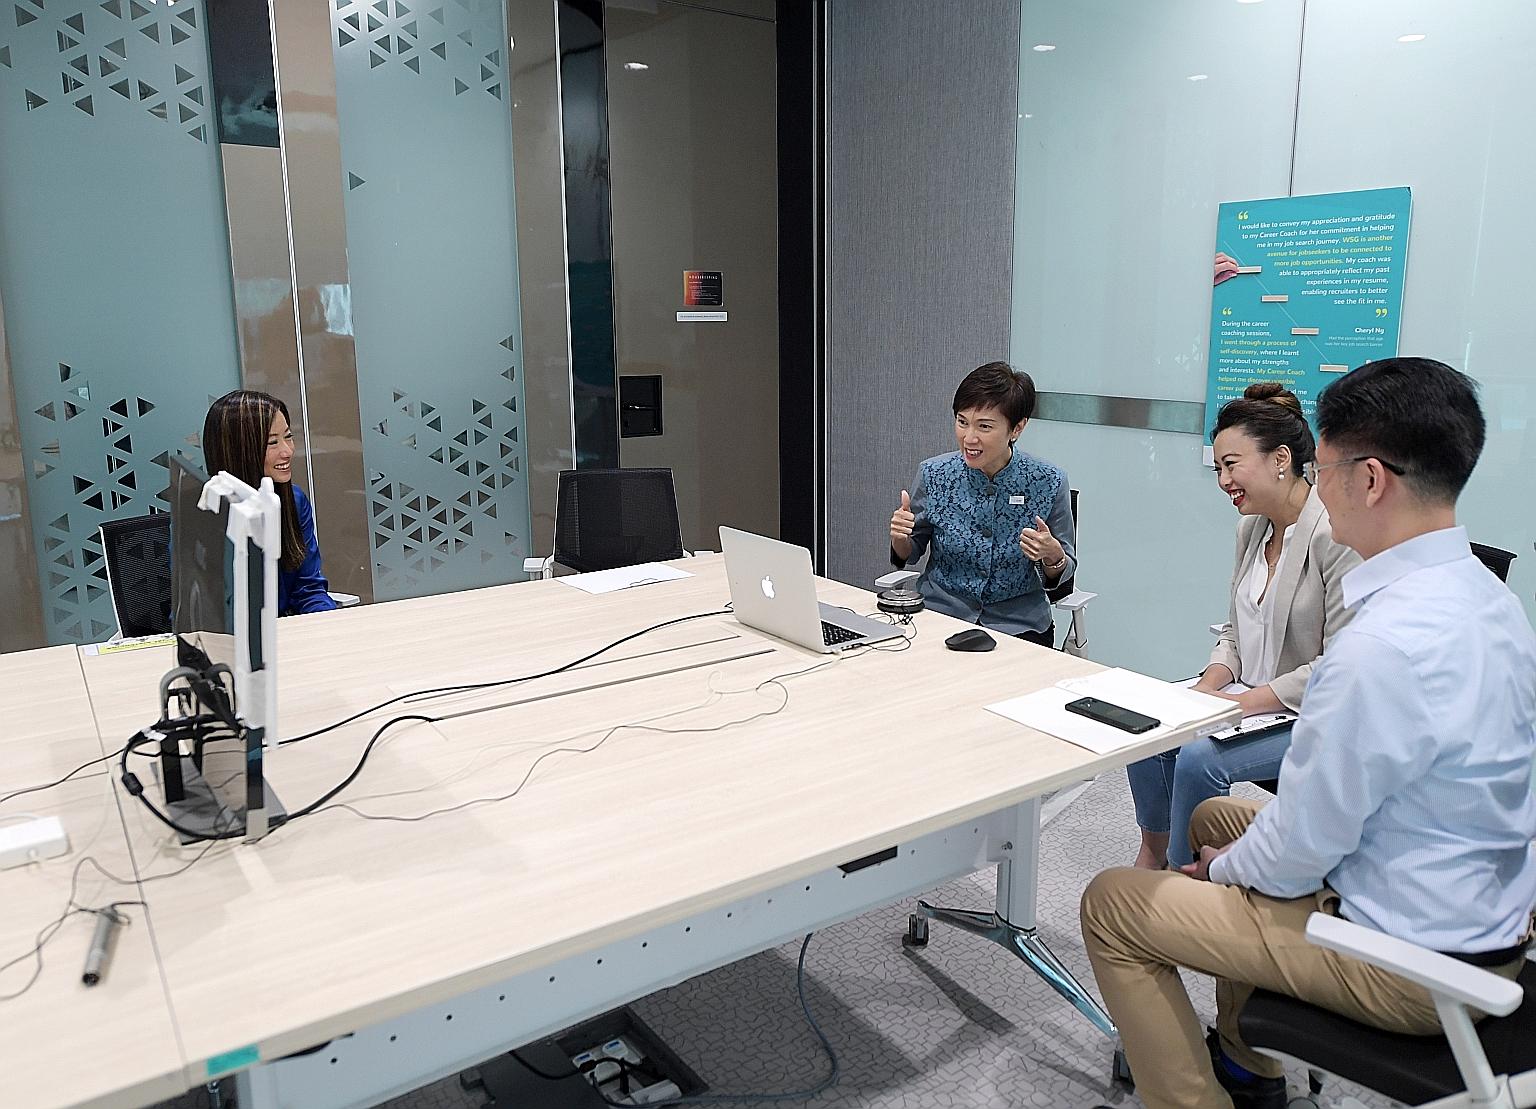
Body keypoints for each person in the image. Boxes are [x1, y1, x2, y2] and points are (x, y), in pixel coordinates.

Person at [1081, 357, 1536, 1109]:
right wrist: (1233, 852)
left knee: (1113, 902)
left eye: (1323, 468)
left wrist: (1217, 873)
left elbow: (1300, 852)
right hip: (1474, 911)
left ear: (1371, 479)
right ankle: (1245, 1066)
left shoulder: (1379, 645)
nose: (1317, 489)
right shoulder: (1489, 600)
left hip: (1412, 963)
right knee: (1211, 816)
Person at [1126, 382, 1359, 869]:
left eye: (1231, 465)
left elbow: (1338, 667)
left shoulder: (1336, 535)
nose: (1223, 482)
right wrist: (1207, 688)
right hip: (1246, 696)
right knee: (1147, 724)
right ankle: (1154, 853)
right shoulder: (1250, 528)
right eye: (1218, 469)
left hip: (1309, 712)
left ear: (1280, 458)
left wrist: (1237, 704)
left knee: (1197, 756)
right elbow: (1233, 630)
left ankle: (1188, 878)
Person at [888, 361, 1074, 647]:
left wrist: (1053, 556)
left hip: (1019, 627)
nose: (969, 438)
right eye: (962, 422)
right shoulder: (934, 473)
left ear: (1017, 428)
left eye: (984, 426)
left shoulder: (1048, 481)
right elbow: (910, 553)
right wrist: (901, 537)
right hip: (942, 618)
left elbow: (1063, 570)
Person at [202, 390, 337, 617]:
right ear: (239, 450)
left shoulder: (293, 501)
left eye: (288, 436)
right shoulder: (203, 515)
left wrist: (327, 625)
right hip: (230, 643)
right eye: (272, 442)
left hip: (287, 634)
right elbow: (201, 613)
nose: (287, 451)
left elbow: (309, 589)